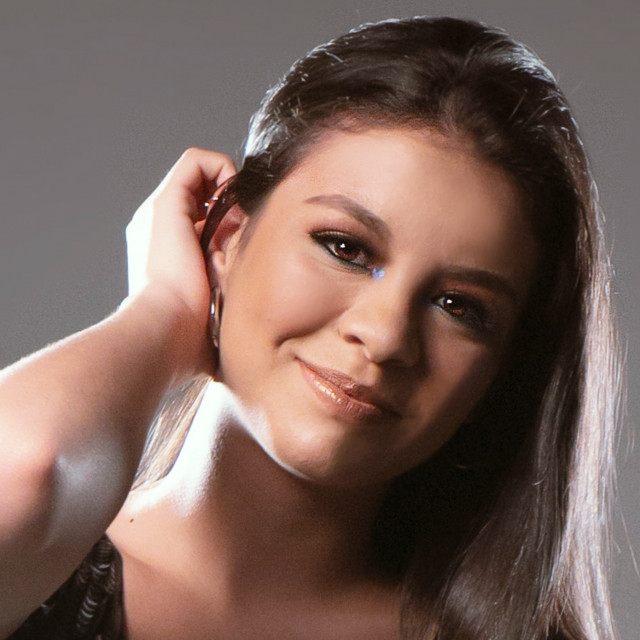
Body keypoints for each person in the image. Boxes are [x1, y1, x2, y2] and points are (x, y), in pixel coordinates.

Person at [0, 15, 620, 640]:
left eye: (458, 306)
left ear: (501, 370)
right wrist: (163, 311)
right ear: (227, 235)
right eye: (345, 248)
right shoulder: (39, 575)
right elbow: (24, 469)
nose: (385, 335)